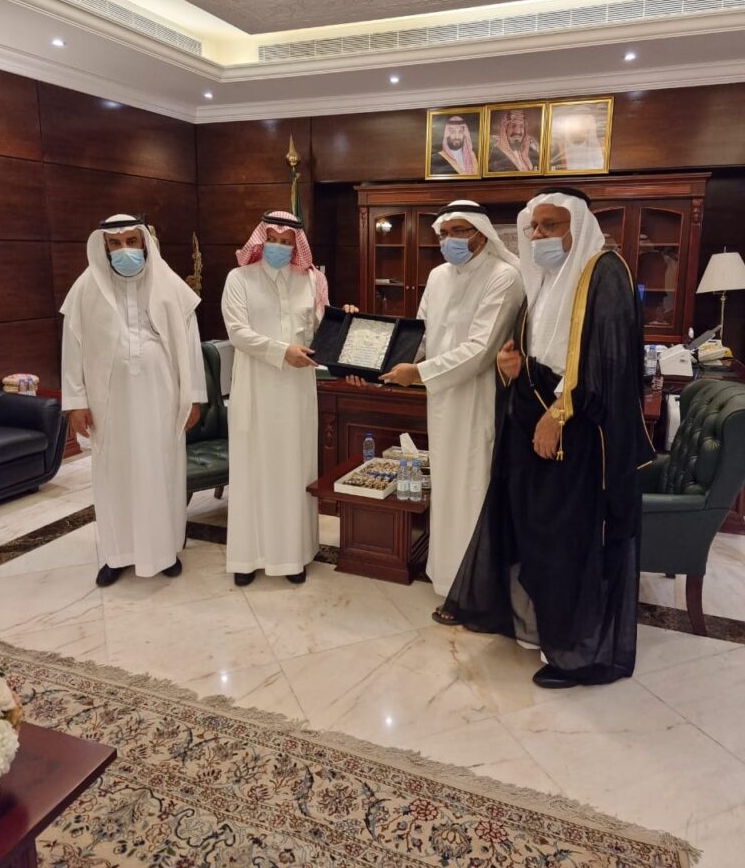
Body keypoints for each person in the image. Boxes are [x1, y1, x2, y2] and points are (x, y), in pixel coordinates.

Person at [440, 188, 653, 688]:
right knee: (533, 531)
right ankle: (540, 629)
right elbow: (540, 350)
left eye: (551, 226)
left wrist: (558, 414)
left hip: (578, 439)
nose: (539, 236)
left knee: (567, 541)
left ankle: (576, 653)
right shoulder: (545, 277)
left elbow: (608, 364)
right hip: (532, 427)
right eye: (534, 227)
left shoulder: (604, 273)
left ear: (577, 227)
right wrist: (511, 366)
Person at [366, 200, 524, 598]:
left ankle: (473, 588)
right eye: (444, 233)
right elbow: (420, 334)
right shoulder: (437, 276)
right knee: (447, 487)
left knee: (471, 488)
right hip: (440, 402)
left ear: (481, 233)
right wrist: (377, 363)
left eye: (458, 231)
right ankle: (446, 576)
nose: (449, 240)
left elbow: (481, 350)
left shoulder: (505, 277)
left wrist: (418, 373)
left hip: (477, 401)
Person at [61, 214, 207, 586]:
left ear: (144, 243)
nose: (124, 250)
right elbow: (72, 348)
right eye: (115, 243)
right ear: (104, 247)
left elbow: (191, 344)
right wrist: (76, 401)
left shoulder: (169, 284)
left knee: (161, 469)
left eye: (131, 241)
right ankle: (117, 554)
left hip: (161, 395)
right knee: (114, 474)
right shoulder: (86, 287)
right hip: (108, 400)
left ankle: (165, 550)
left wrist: (194, 397)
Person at [222, 210, 331, 587]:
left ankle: (293, 556)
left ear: (297, 244)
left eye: (287, 242)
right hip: (255, 388)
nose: (280, 247)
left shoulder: (312, 280)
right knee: (252, 469)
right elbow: (237, 332)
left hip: (297, 392)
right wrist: (282, 351)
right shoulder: (239, 279)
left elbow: (321, 332)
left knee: (293, 470)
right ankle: (247, 557)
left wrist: (345, 322)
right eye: (273, 239)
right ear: (261, 239)